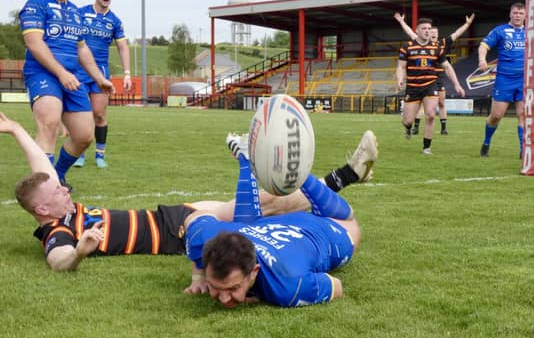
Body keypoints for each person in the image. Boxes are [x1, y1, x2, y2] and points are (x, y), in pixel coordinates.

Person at [0, 112, 378, 272]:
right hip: (176, 232)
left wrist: (17, 130)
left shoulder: (51, 201)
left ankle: (343, 179)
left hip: (168, 214)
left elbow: (41, 169)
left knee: (266, 203)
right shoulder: (57, 230)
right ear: (43, 210)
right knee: (264, 206)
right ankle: (345, 177)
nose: (65, 188)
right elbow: (58, 260)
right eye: (58, 191)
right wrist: (79, 252)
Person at [183, 133, 360, 308]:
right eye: (215, 286)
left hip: (329, 228)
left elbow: (337, 286)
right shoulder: (204, 238)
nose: (223, 298)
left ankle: (299, 172)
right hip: (275, 225)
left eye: (233, 288)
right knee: (245, 227)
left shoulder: (289, 285)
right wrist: (198, 277)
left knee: (351, 224)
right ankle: (246, 159)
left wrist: (263, 293)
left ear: (254, 272)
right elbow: (194, 218)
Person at [19, 0, 115, 190]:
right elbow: (34, 43)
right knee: (50, 121)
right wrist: (61, 73)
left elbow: (82, 49)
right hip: (43, 74)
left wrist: (100, 78)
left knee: (84, 135)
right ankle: (45, 185)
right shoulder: (36, 4)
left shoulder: (73, 11)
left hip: (72, 77)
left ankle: (57, 174)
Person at [73, 0, 132, 169]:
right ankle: (79, 154)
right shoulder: (80, 13)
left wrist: (127, 73)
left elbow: (123, 47)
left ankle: (100, 155)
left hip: (101, 72)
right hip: (79, 70)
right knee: (81, 113)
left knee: (98, 113)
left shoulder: (114, 20)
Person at [395, 12, 475, 136]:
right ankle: (412, 125)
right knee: (411, 115)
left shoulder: (441, 45)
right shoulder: (413, 44)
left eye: (432, 31)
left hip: (435, 80)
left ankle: (439, 131)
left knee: (437, 107)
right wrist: (401, 22)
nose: (430, 33)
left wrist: (467, 24)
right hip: (415, 82)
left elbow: (456, 35)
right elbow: (410, 33)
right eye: (427, 30)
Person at [478, 2, 526, 157]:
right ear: (510, 14)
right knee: (496, 116)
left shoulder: (531, 32)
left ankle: (523, 149)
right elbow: (484, 45)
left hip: (524, 80)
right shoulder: (500, 31)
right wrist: (482, 59)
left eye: (521, 13)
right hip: (504, 79)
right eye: (515, 13)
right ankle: (486, 142)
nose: (518, 16)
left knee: (523, 114)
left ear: (525, 15)